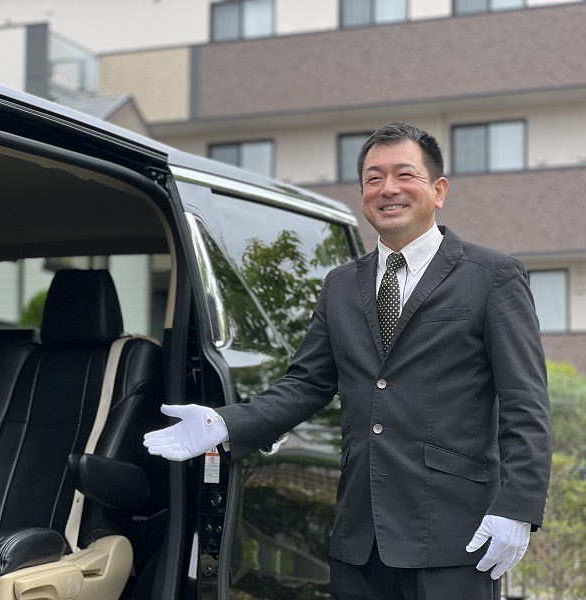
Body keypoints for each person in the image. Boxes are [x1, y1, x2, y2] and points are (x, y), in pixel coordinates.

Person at [143, 122, 552, 600]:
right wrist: (225, 423)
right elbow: (306, 384)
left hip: (453, 535)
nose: (388, 189)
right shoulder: (341, 284)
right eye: (373, 178)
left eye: (404, 175)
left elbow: (525, 401)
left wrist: (517, 506)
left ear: (439, 190)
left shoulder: (492, 275)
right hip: (358, 538)